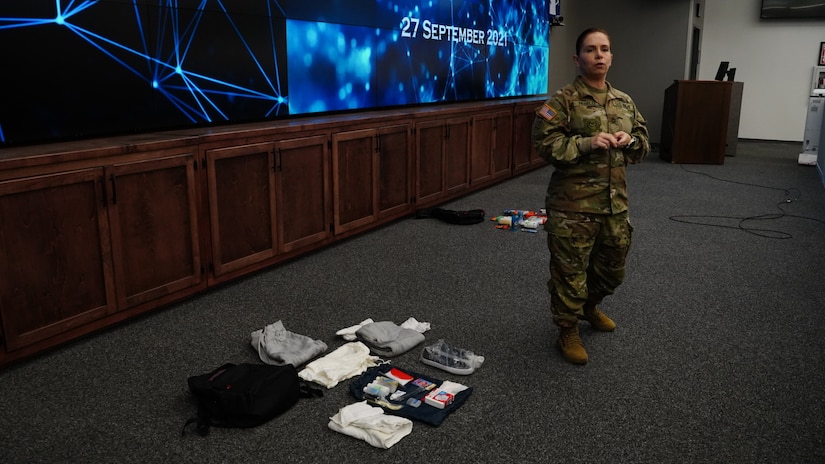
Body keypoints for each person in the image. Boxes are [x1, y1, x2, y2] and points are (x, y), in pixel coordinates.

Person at [532, 28, 650, 365]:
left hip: (614, 204)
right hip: (572, 206)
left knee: (613, 269)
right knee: (570, 272)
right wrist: (586, 143)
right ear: (577, 58)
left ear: (611, 57)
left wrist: (630, 141)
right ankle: (567, 328)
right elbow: (545, 145)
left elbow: (643, 146)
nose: (598, 55)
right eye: (590, 49)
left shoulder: (624, 101)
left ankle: (588, 306)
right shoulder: (562, 101)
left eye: (605, 49)